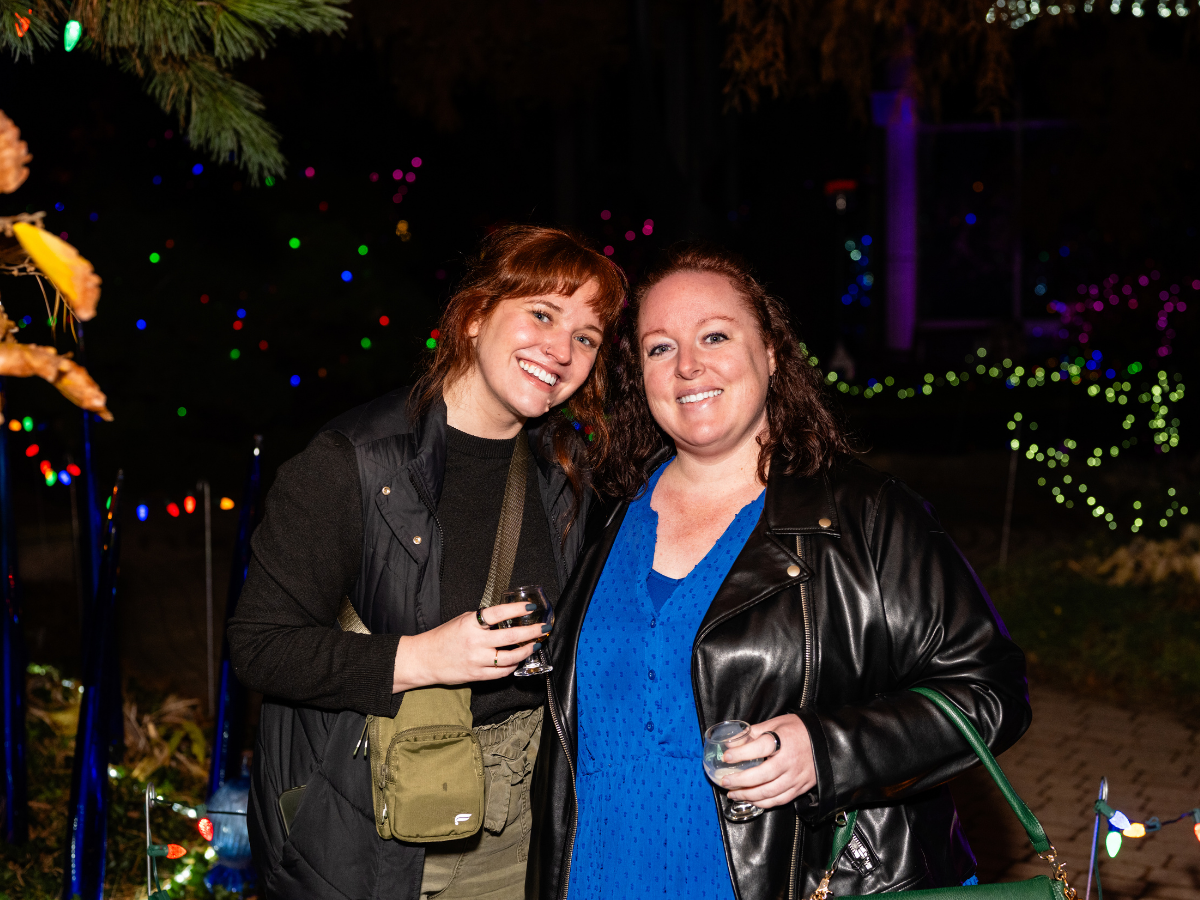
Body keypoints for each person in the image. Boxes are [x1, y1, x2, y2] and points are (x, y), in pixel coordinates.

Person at [527, 244, 1031, 900]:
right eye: (659, 347)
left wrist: (827, 750)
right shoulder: (604, 514)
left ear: (770, 353)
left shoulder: (867, 518)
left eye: (715, 335)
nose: (688, 366)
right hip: (599, 876)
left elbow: (989, 691)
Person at [228, 225, 626, 900]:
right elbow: (259, 646)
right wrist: (420, 659)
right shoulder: (353, 463)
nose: (561, 350)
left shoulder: (563, 468)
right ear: (473, 317)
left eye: (586, 336)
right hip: (376, 817)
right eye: (541, 314)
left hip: (525, 818)